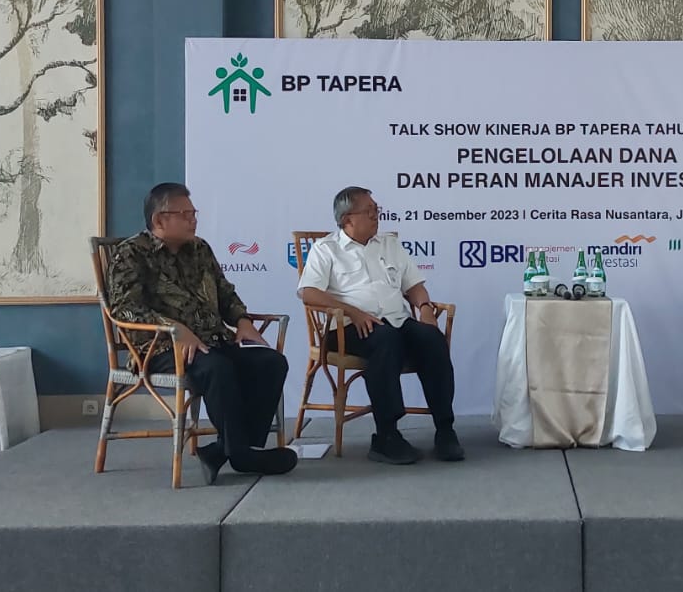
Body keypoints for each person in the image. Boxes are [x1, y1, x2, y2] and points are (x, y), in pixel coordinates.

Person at [108, 182, 296, 484]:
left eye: (193, 213)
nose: (193, 220)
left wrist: (242, 320)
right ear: (159, 220)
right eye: (184, 214)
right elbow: (123, 309)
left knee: (270, 362)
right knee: (217, 368)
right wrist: (174, 329)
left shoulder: (200, 249)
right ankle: (241, 455)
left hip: (213, 342)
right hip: (160, 349)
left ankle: (230, 450)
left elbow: (225, 293)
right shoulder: (131, 253)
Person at [298, 186, 464, 465]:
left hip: (397, 320)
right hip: (348, 328)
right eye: (369, 211)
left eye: (377, 210)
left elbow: (414, 285)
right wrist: (354, 312)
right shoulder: (326, 249)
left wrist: (425, 308)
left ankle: (445, 430)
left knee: (431, 338)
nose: (377, 216)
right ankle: (387, 435)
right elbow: (309, 293)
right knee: (386, 341)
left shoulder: (389, 244)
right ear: (347, 219)